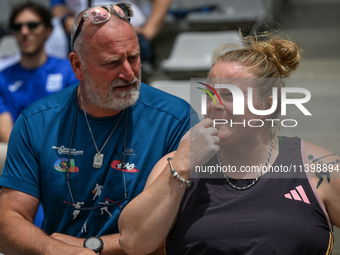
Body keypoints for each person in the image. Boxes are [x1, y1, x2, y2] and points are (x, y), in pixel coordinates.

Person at [0, 3, 197, 255]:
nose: (128, 73)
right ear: (77, 66)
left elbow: (183, 228)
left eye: (134, 58)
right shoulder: (36, 120)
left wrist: (92, 247)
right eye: (112, 63)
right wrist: (59, 251)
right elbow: (7, 224)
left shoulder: (175, 118)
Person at [118, 33, 340, 254]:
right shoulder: (175, 166)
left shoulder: (319, 167)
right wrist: (182, 166)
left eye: (230, 95)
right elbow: (133, 242)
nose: (215, 104)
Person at [0, 2, 78, 174]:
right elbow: (6, 132)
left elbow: (73, 125)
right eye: (18, 26)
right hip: (18, 156)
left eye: (32, 25)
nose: (24, 32)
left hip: (61, 154)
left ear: (48, 31)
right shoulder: (2, 78)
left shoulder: (69, 72)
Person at [50, 0, 172, 62]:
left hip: (126, 34)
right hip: (81, 33)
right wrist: (65, 19)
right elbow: (57, 6)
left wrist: (148, 31)